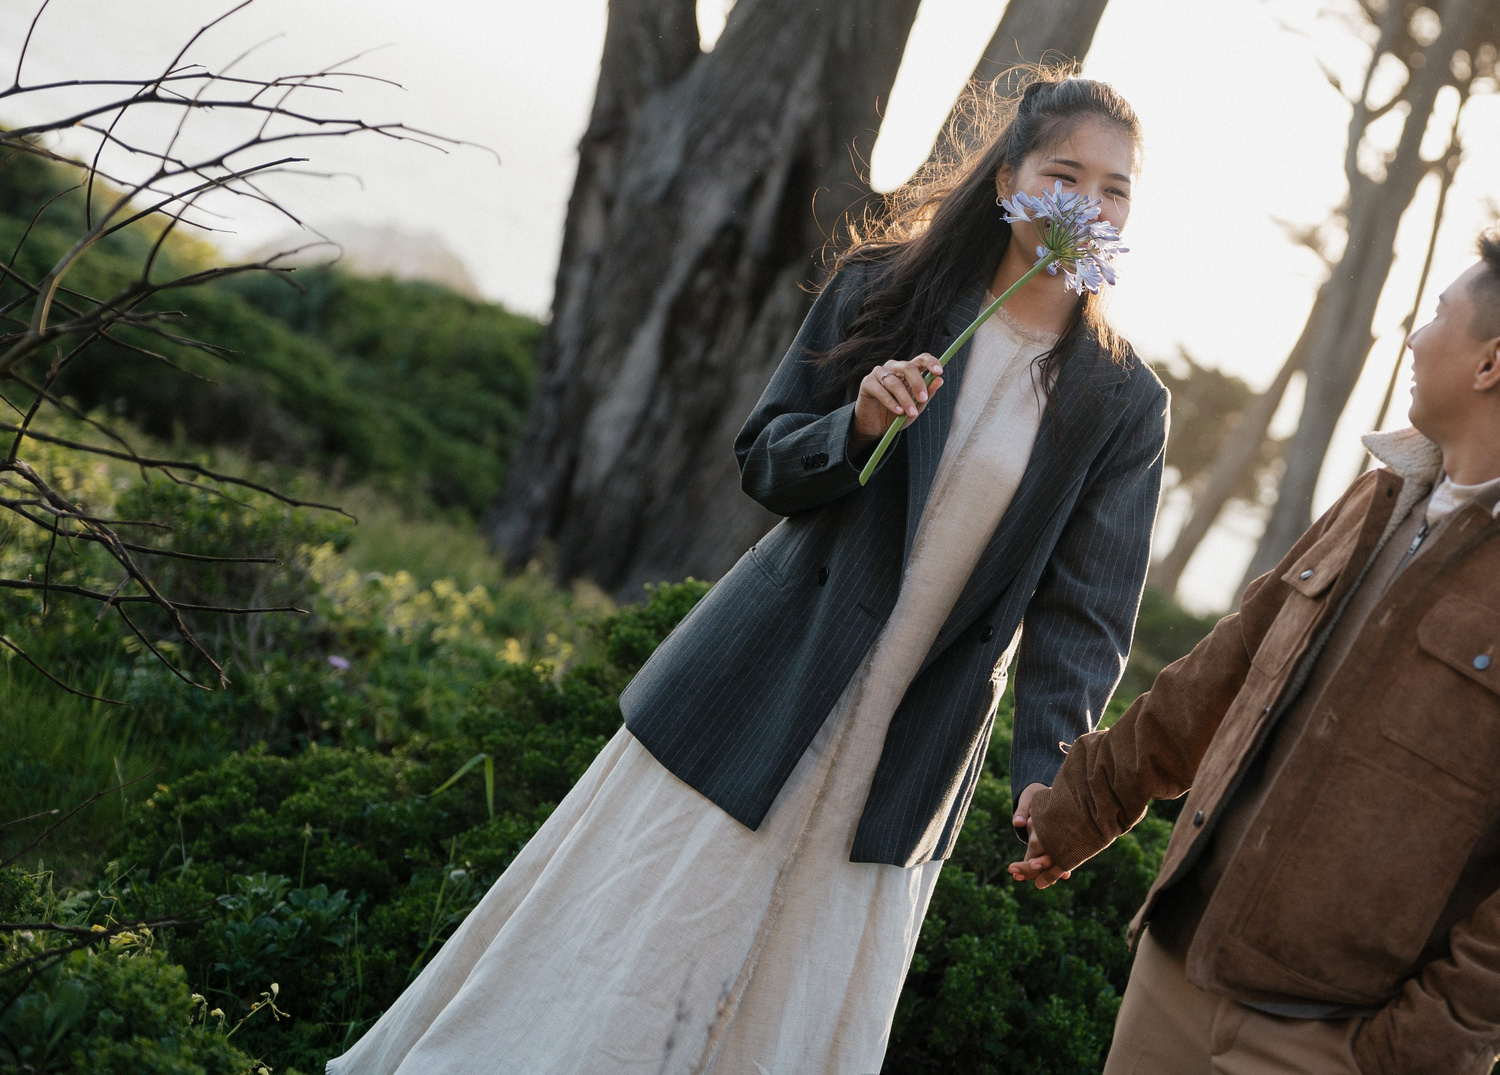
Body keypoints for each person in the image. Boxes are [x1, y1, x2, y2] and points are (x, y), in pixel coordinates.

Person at [333, 74, 1167, 1075]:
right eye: (1063, 174)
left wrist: (1051, 770)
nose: (1088, 204)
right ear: (1007, 181)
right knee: (641, 953)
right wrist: (853, 425)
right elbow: (765, 458)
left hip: (908, 743)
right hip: (760, 684)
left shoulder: (1122, 401)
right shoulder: (883, 290)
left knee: (791, 1006)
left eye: (1114, 190)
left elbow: (1084, 614)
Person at [1015, 225, 1500, 1075]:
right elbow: (1227, 669)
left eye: (1439, 314)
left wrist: (1413, 1052)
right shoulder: (1381, 493)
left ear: (1491, 361)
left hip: (1335, 1047)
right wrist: (1082, 804)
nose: (1416, 333)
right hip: (1175, 978)